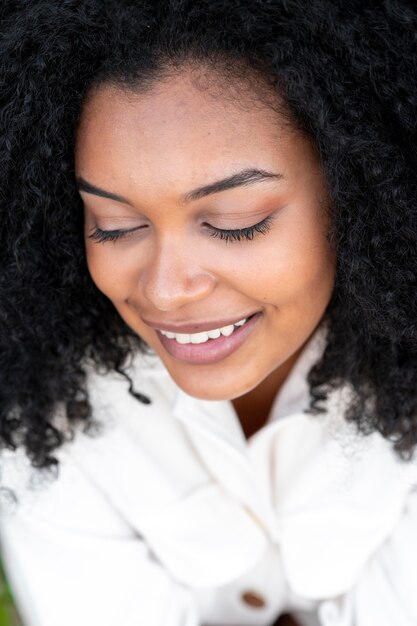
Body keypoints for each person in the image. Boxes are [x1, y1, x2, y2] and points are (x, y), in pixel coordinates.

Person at [0, 1, 416, 625]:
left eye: (234, 224)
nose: (165, 291)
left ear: (358, 191)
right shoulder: (40, 397)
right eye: (114, 226)